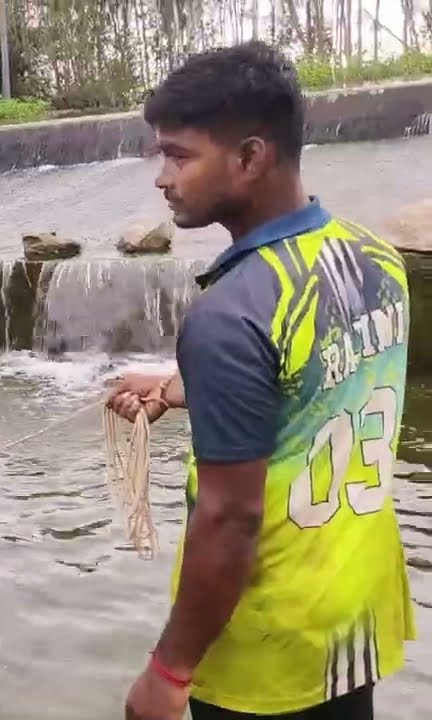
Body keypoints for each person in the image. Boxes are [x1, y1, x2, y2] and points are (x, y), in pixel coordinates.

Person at [106, 41, 415, 720]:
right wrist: (181, 385)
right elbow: (322, 382)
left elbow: (229, 518)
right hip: (353, 618)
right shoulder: (375, 259)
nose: (162, 177)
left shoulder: (230, 313)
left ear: (250, 157)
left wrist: (168, 670)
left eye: (180, 155)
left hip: (267, 650)